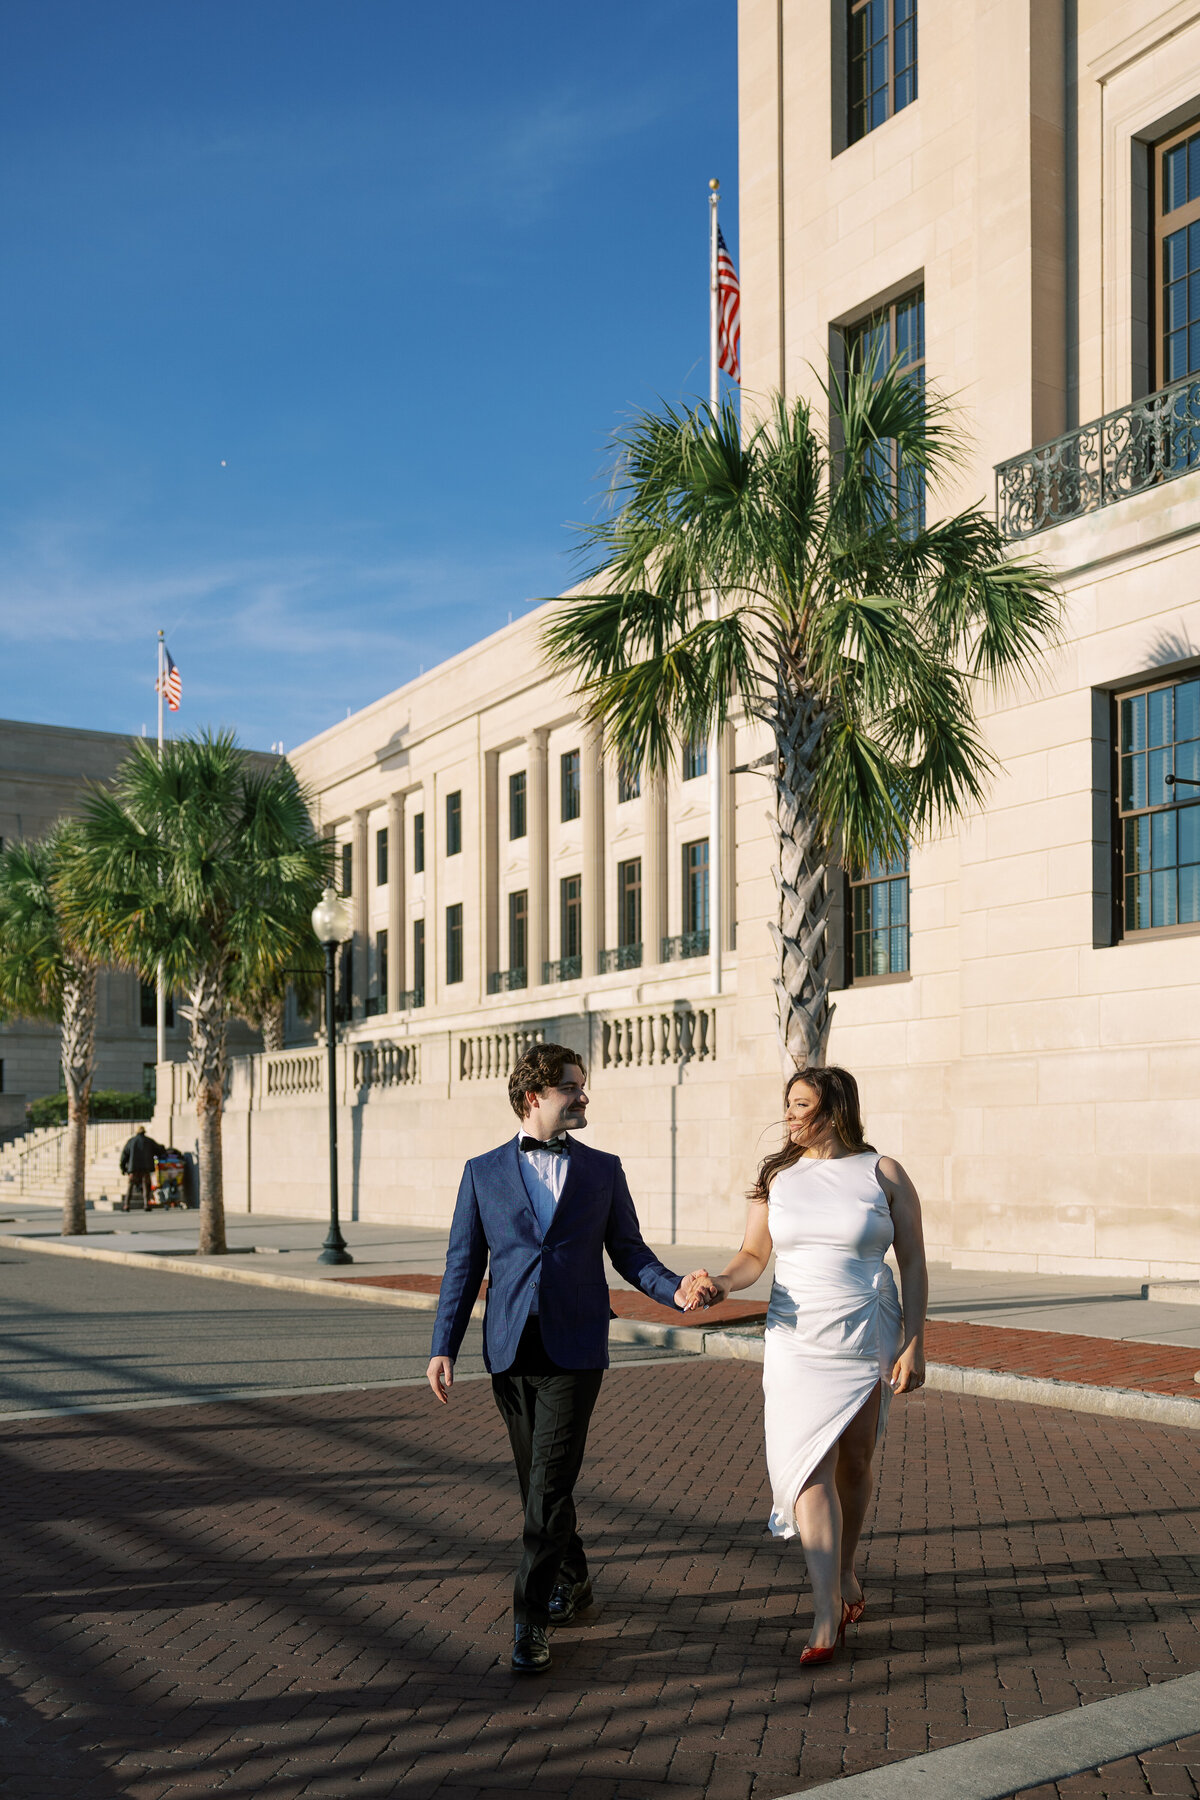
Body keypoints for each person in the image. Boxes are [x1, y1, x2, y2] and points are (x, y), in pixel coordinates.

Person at [427, 1042, 694, 1676]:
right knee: (539, 1486)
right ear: (534, 1096)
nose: (583, 1096)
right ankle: (572, 1580)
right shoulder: (482, 1172)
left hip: (576, 1348)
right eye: (572, 1087)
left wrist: (674, 1288)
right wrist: (443, 1345)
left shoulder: (602, 1170)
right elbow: (463, 1266)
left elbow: (630, 1252)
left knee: (546, 1486)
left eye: (582, 1086)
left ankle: (530, 1619)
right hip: (511, 1350)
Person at [683, 1066, 927, 1665]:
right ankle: (825, 1612)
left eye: (802, 1105)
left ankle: (844, 1572)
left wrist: (916, 1342)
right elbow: (752, 1256)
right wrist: (719, 1282)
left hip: (865, 1329)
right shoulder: (777, 1177)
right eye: (788, 1105)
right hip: (795, 1339)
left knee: (856, 1459)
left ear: (835, 1108)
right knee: (805, 1465)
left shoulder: (883, 1173)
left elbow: (915, 1263)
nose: (790, 1116)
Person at [118, 1124, 161, 1210]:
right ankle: (146, 1204)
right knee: (146, 1185)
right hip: (146, 1167)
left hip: (133, 1168)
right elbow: (159, 1150)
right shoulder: (149, 1141)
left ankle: (126, 1205)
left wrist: (123, 1168)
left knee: (130, 1185)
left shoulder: (131, 1141)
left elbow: (124, 1155)